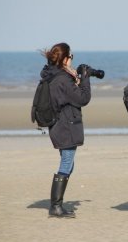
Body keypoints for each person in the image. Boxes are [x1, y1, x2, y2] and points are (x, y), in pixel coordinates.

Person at [40, 43, 91, 218]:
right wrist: (85, 79)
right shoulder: (62, 79)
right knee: (67, 163)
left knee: (68, 163)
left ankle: (57, 204)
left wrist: (77, 79)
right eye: (71, 57)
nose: (72, 60)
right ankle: (55, 207)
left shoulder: (51, 75)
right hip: (66, 126)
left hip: (58, 125)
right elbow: (83, 98)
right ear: (65, 59)